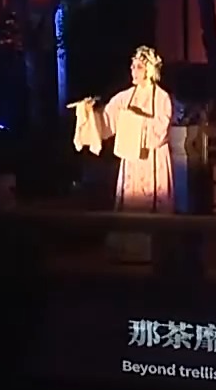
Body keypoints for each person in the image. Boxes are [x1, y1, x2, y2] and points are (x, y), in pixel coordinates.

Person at [71, 46, 174, 262]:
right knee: (132, 203)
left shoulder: (161, 97)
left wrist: (134, 120)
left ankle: (157, 251)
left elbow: (160, 129)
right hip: (132, 160)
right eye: (132, 66)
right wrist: (90, 112)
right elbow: (107, 122)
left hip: (152, 158)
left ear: (149, 70)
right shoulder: (124, 97)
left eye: (138, 67)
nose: (133, 71)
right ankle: (130, 250)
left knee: (152, 202)